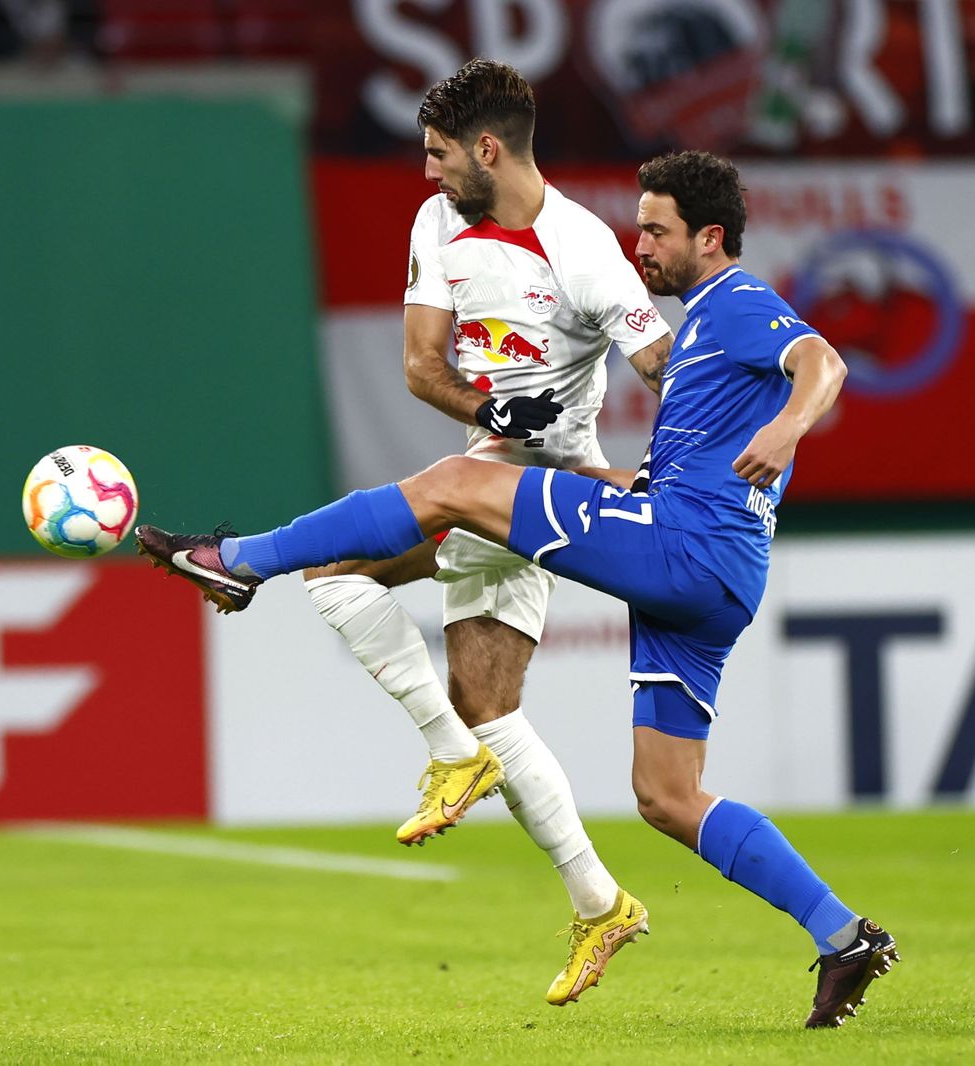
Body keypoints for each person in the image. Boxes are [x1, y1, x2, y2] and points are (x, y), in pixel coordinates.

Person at [137, 150, 898, 1029]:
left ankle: (238, 559)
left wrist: (788, 427)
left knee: (459, 484)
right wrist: (599, 477)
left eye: (656, 229)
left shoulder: (735, 300)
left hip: (689, 551)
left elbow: (825, 365)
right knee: (666, 795)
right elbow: (672, 476)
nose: (640, 244)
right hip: (709, 570)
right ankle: (844, 936)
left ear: (710, 236)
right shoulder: (695, 336)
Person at [300, 58, 673, 1005]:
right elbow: (424, 368)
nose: (426, 173)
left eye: (437, 155)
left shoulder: (585, 253)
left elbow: (668, 368)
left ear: (489, 149)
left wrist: (675, 474)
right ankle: (599, 902)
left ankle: (458, 764)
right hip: (485, 471)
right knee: (481, 698)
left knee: (337, 569)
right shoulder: (439, 222)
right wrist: (491, 410)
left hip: (547, 495)